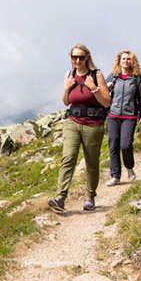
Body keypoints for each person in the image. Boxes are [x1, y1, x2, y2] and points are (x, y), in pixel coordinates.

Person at [48, 44, 111, 213]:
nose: (77, 60)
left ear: (87, 57)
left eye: (81, 57)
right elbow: (66, 101)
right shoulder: (69, 75)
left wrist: (93, 88)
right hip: (72, 122)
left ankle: (90, 196)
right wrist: (67, 88)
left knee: (91, 161)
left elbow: (106, 102)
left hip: (93, 124)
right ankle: (60, 198)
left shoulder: (96, 75)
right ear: (71, 58)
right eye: (74, 57)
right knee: (68, 157)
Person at [105, 49, 141, 186]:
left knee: (126, 144)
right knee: (113, 145)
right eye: (123, 59)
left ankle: (129, 167)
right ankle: (115, 176)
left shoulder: (136, 77)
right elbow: (103, 93)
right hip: (113, 115)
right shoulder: (113, 76)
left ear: (132, 61)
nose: (126, 61)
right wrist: (108, 87)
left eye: (128, 59)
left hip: (129, 116)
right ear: (119, 61)